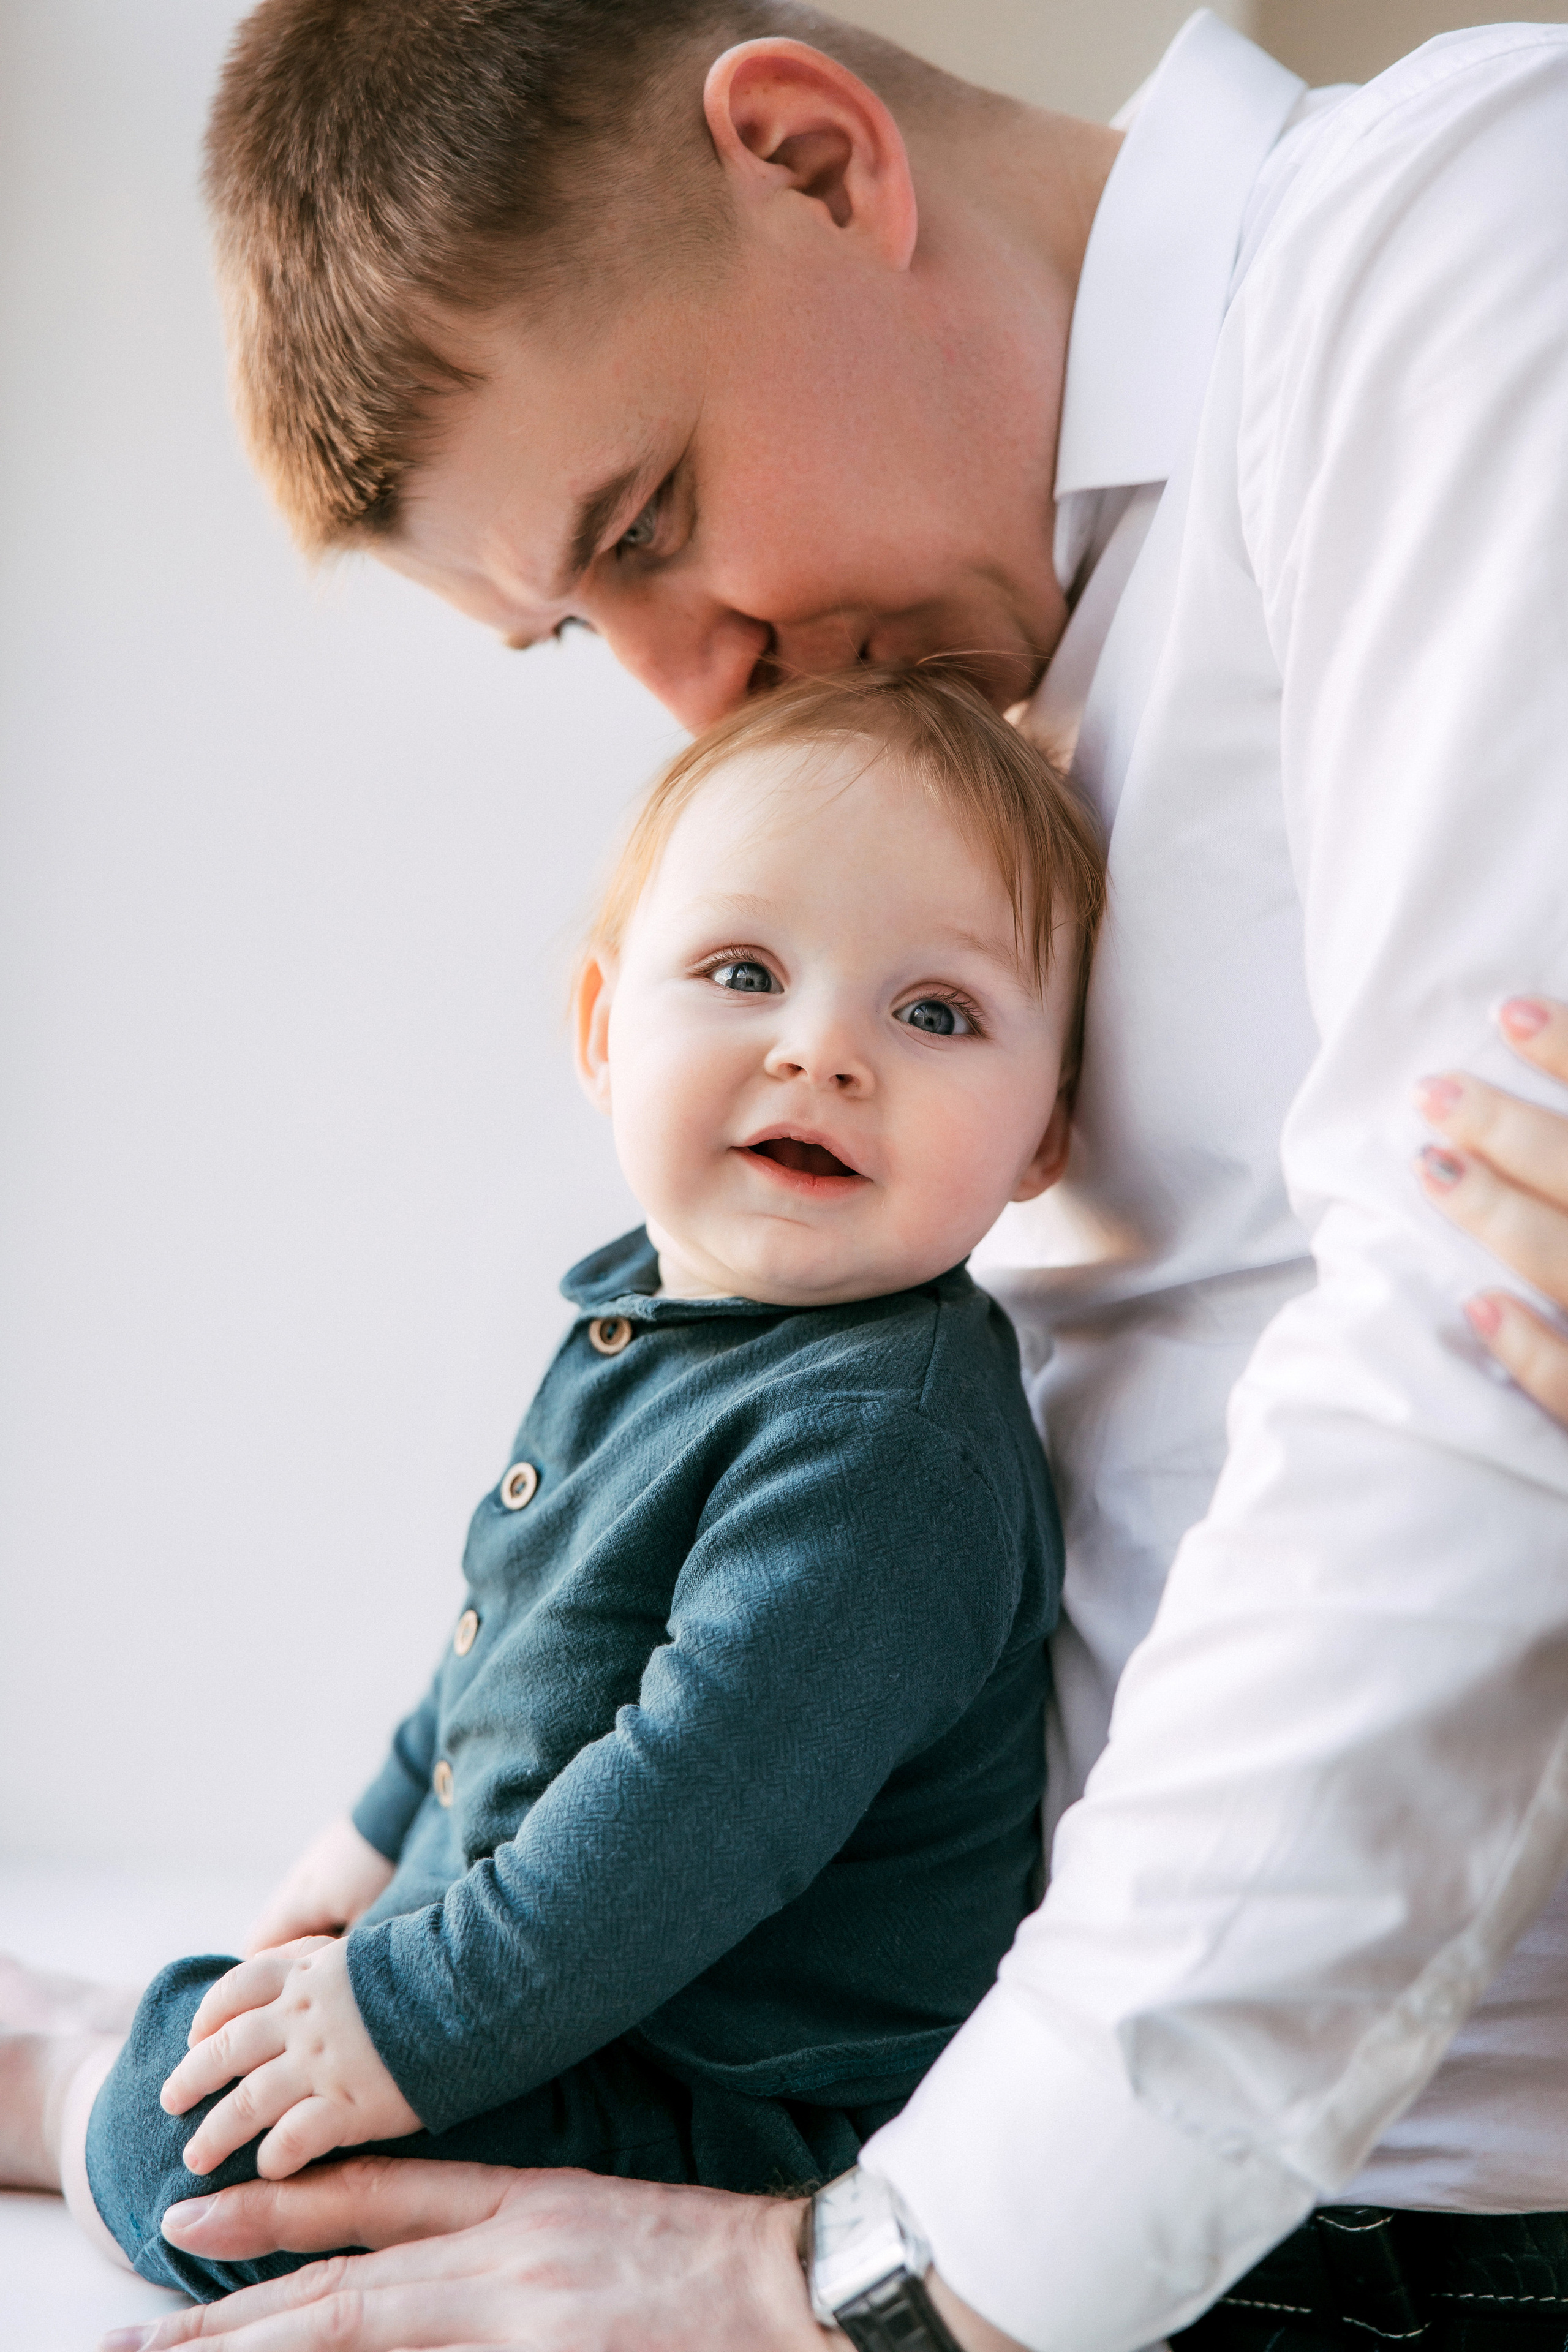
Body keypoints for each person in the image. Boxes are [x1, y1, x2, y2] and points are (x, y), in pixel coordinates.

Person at [91, 2, 1568, 2347]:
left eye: (648, 520)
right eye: (585, 625)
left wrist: (862, 2287)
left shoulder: (1453, 242)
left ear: (807, 154)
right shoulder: (998, 730)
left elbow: (1478, 1367)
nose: (702, 695)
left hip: (1348, 2238)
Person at [0, 667, 1105, 2298]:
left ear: (1040, 1141)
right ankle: (119, 2020)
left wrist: (403, 2021)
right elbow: (507, 1640)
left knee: (217, 2165)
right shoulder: (653, 1322)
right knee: (254, 2007)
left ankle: (49, 2088)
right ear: (605, 1029)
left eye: (932, 1013)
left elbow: (685, 1818)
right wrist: (368, 1849)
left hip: (731, 2105)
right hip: (556, 1978)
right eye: (745, 971)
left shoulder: (888, 1448)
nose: (825, 1053)